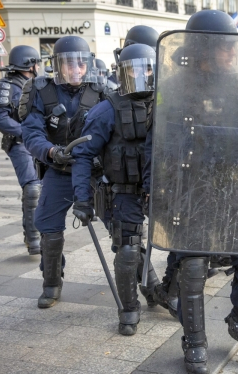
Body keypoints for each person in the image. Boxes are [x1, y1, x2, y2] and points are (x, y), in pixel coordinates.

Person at [144, 10, 238, 374]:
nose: (232, 53)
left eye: (234, 46)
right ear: (202, 48)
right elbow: (157, 145)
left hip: (228, 185)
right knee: (194, 266)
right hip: (187, 188)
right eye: (224, 47)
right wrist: (154, 192)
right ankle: (195, 340)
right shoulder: (174, 86)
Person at [71, 42, 164, 336]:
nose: (142, 74)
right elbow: (83, 155)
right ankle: (129, 309)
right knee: (127, 250)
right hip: (122, 192)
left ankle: (159, 291)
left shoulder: (169, 103)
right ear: (122, 72)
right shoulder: (106, 110)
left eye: (148, 67)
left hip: (163, 190)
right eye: (135, 69)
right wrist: (82, 201)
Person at [19, 36, 106, 308]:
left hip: (93, 171)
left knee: (124, 226)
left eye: (80, 64)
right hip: (58, 169)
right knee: (48, 227)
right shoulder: (40, 90)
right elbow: (31, 133)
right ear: (57, 65)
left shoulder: (101, 90)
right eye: (69, 64)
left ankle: (146, 283)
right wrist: (51, 151)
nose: (75, 70)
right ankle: (52, 282)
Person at [0, 45, 43, 255]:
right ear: (29, 64)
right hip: (20, 143)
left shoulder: (40, 83)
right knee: (32, 188)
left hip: (41, 143)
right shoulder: (6, 85)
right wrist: (26, 132)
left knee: (44, 189)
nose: (39, 66)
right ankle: (33, 238)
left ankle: (42, 231)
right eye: (36, 62)